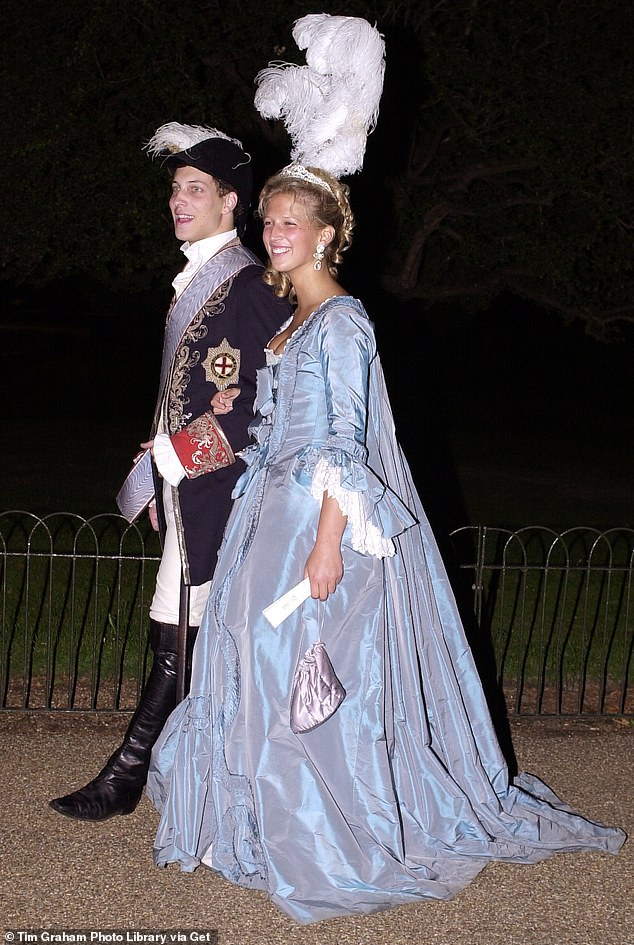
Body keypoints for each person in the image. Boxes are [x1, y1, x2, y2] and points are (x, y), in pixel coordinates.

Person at [145, 162, 625, 923]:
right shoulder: (295, 318)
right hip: (266, 509)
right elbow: (281, 419)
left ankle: (312, 830)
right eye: (269, 221)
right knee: (246, 658)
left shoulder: (342, 318)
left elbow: (346, 439)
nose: (275, 233)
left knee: (293, 669)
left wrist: (328, 545)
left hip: (311, 518)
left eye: (291, 222)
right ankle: (254, 821)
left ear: (327, 235)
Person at [49, 123, 290, 822]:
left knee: (180, 635)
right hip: (187, 488)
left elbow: (256, 413)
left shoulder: (247, 286)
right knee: (181, 636)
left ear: (230, 203)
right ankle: (170, 774)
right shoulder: (203, 280)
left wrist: (175, 458)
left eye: (194, 190)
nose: (177, 203)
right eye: (174, 190)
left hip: (218, 494)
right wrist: (157, 459)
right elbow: (190, 391)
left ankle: (129, 776)